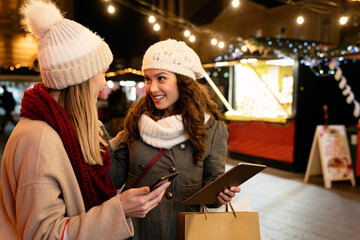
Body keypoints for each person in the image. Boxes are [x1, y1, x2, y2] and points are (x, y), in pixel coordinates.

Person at [0, 1, 169, 239]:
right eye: (101, 72)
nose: (103, 83)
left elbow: (69, 167)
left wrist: (114, 145)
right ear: (79, 79)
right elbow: (44, 234)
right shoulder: (37, 141)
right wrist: (118, 211)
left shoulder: (61, 128)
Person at [109, 39, 241, 240]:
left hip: (182, 231)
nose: (152, 88)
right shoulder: (137, 120)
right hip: (136, 231)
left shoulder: (212, 129)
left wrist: (221, 194)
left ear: (183, 81)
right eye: (148, 79)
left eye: (161, 78)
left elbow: (212, 182)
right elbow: (114, 178)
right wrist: (102, 145)